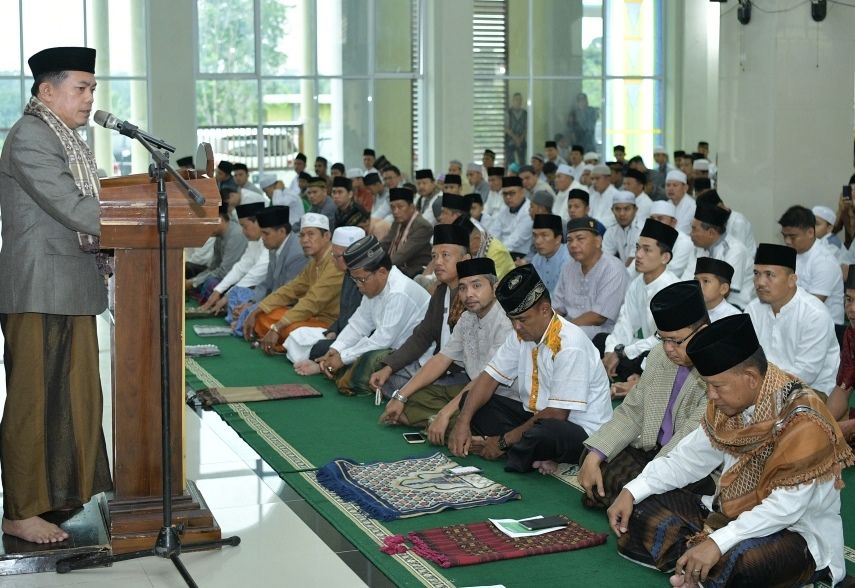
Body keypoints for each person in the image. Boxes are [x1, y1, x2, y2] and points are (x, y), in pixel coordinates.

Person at [608, 314, 854, 588]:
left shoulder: (804, 420)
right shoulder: (729, 405)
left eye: (716, 386)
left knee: (746, 563)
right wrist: (633, 489)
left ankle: (702, 561)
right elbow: (686, 461)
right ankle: (700, 566)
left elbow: (785, 509)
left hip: (796, 532)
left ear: (750, 377)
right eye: (707, 385)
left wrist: (718, 541)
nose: (711, 396)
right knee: (642, 505)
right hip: (728, 515)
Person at [0, 45, 112, 544]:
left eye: (93, 88)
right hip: (39, 288)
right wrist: (142, 222)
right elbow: (74, 206)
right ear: (48, 91)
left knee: (72, 397)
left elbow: (95, 195)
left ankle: (59, 493)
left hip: (69, 284)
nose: (91, 98)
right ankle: (21, 510)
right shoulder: (31, 137)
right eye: (82, 88)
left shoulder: (65, 138)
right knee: (32, 401)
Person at [448, 265, 612, 473]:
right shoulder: (521, 335)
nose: (516, 327)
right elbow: (488, 378)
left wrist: (502, 442)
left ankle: (513, 450)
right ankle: (526, 452)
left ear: (544, 310)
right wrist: (463, 422)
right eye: (512, 320)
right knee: (470, 403)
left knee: (545, 433)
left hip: (579, 432)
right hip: (535, 418)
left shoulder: (570, 343)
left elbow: (557, 415)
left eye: (522, 320)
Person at [578, 281, 711, 510]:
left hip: (688, 465)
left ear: (702, 331)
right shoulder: (661, 355)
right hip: (650, 452)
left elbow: (687, 441)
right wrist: (595, 455)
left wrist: (641, 485)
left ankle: (637, 501)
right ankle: (638, 504)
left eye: (676, 340)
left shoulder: (717, 371)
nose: (668, 348)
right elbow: (633, 411)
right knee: (593, 457)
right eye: (663, 338)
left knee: (659, 494)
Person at [377, 258, 514, 444]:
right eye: (463, 288)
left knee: (465, 420)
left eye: (477, 286)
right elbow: (442, 358)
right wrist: (401, 396)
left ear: (495, 287)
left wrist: (445, 413)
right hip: (468, 389)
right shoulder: (467, 317)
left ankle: (473, 435)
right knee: (410, 395)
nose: (469, 294)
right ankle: (440, 424)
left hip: (498, 398)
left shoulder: (506, 322)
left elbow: (485, 379)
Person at [314, 236, 430, 395]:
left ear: (382, 272)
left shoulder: (399, 292)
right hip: (388, 352)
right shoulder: (373, 288)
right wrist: (336, 348)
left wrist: (343, 358)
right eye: (355, 280)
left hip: (412, 361)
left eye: (362, 279)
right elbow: (359, 323)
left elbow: (382, 341)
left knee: (369, 363)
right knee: (331, 351)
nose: (358, 285)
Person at [368, 225, 471, 398]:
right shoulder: (440, 293)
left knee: (412, 391)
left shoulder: (473, 297)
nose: (438, 262)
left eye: (445, 255)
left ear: (465, 259)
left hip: (462, 375)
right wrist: (389, 367)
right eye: (434, 256)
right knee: (382, 373)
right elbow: (422, 336)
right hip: (437, 368)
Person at [746, 243, 839, 396]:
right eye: (756, 273)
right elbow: (747, 357)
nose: (760, 282)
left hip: (809, 391)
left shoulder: (814, 314)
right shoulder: (753, 309)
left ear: (792, 280)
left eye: (769, 274)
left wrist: (759, 390)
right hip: (761, 387)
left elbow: (805, 373)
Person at [242, 213, 342, 353]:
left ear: (326, 236)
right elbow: (290, 289)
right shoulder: (314, 262)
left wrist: (278, 327)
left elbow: (312, 301)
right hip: (310, 318)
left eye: (311, 234)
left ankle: (282, 342)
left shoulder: (335, 263)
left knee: (290, 330)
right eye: (302, 235)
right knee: (264, 314)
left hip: (329, 323)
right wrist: (256, 310)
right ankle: (282, 341)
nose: (305, 240)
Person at [603, 219, 680, 381]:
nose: (638, 255)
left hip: (659, 350)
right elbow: (625, 322)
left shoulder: (672, 289)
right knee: (599, 340)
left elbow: (663, 339)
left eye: (646, 250)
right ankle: (631, 375)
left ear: (665, 257)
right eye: (638, 248)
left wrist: (622, 353)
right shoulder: (637, 282)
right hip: (636, 348)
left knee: (653, 358)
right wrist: (611, 351)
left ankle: (633, 376)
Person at [289, 227, 365, 372]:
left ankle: (323, 364)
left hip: (361, 339)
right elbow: (345, 312)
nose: (332, 260)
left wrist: (337, 342)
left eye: (337, 256)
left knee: (319, 348)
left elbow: (364, 324)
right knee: (298, 336)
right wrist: (333, 330)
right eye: (332, 254)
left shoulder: (365, 279)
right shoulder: (348, 274)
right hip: (344, 333)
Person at [553, 217, 629, 352]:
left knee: (569, 338)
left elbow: (598, 317)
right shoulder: (569, 267)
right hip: (569, 326)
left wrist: (561, 328)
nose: (573, 245)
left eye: (580, 238)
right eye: (569, 240)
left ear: (598, 241)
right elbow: (558, 307)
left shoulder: (613, 268)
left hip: (601, 332)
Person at [230, 205, 308, 335]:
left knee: (259, 316)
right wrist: (251, 302)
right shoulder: (274, 247)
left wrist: (257, 308)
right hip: (273, 301)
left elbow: (288, 295)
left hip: (290, 306)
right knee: (242, 301)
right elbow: (267, 283)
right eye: (261, 233)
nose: (262, 238)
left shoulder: (297, 254)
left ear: (282, 232)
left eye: (266, 233)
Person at [779, 205, 844, 326]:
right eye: (784, 236)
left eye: (792, 237)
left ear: (810, 232)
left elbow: (812, 304)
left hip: (826, 325)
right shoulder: (793, 253)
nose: (787, 241)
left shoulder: (825, 262)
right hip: (797, 319)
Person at [200, 202, 269, 317]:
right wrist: (218, 290)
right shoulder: (254, 242)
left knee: (238, 298)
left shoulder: (269, 243)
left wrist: (228, 295)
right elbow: (240, 267)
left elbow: (254, 275)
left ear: (258, 222)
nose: (242, 231)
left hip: (268, 293)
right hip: (255, 288)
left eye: (244, 226)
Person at [688, 203, 754, 309]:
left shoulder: (735, 250)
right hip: (706, 301)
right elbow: (687, 278)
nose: (690, 233)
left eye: (694, 229)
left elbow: (725, 291)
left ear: (710, 232)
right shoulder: (700, 247)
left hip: (735, 305)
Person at [185, 203, 248, 300]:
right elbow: (214, 266)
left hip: (239, 279)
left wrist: (194, 282)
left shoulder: (236, 235)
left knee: (210, 282)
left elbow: (225, 271)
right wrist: (194, 281)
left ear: (220, 219)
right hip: (224, 274)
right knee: (201, 278)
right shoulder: (219, 236)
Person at [379, 187, 432, 278]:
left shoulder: (423, 226)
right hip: (399, 267)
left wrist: (380, 267)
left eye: (400, 207)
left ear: (412, 207)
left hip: (415, 271)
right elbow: (385, 243)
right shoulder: (397, 222)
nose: (395, 211)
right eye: (392, 207)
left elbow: (403, 254)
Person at [827, 266, 855, 439]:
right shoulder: (851, 335)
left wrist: (848, 427)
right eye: (849, 299)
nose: (852, 308)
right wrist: (823, 423)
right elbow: (843, 388)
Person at [646, 200, 696, 279]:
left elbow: (672, 272)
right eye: (652, 219)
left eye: (660, 219)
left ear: (673, 223)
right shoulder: (649, 238)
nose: (654, 223)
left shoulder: (684, 242)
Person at [492, 176, 533, 260]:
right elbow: (493, 233)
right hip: (500, 252)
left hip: (520, 256)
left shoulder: (529, 211)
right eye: (505, 194)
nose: (508, 197)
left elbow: (516, 240)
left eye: (512, 193)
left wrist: (495, 251)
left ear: (522, 192)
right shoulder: (504, 210)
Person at [531, 214, 569, 296]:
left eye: (544, 235)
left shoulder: (568, 259)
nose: (538, 241)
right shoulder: (536, 259)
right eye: (535, 235)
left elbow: (562, 295)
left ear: (558, 239)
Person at [602, 190, 642, 268]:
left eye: (626, 209)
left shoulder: (642, 229)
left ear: (635, 210)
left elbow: (633, 259)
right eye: (617, 209)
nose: (622, 213)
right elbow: (605, 259)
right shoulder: (611, 231)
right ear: (612, 210)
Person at [693, 257, 740, 322]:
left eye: (706, 281)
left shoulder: (734, 318)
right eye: (696, 281)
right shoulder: (689, 310)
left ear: (723, 289)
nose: (698, 285)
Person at [588, 164, 618, 229]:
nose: (594, 182)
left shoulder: (617, 196)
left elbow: (614, 219)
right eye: (592, 179)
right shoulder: (593, 196)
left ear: (608, 178)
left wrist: (594, 225)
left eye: (597, 178)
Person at [665, 170, 695, 234]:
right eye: (668, 185)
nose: (670, 188)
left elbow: (682, 230)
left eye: (675, 185)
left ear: (685, 188)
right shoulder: (666, 204)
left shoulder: (692, 206)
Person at [504, 92, 527, 165]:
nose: (518, 102)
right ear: (513, 101)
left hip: (521, 141)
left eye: (520, 100)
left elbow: (526, 128)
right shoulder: (508, 113)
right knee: (511, 163)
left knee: (522, 162)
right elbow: (506, 128)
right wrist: (515, 138)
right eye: (516, 100)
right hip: (510, 141)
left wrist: (521, 138)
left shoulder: (525, 113)